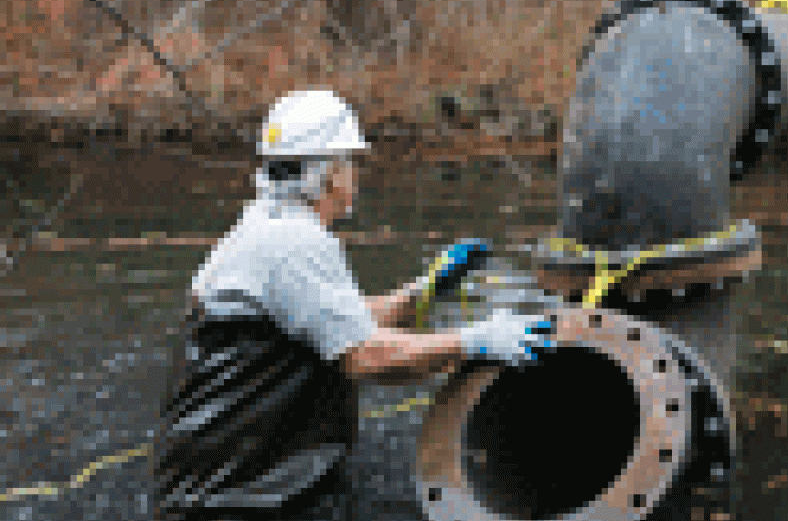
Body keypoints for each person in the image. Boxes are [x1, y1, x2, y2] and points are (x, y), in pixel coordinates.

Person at [152, 88, 556, 521]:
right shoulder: (292, 242)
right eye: (349, 162)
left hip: (230, 481)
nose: (354, 175)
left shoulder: (267, 227)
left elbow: (331, 321)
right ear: (325, 174)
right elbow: (364, 355)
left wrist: (428, 289)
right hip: (239, 498)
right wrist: (477, 340)